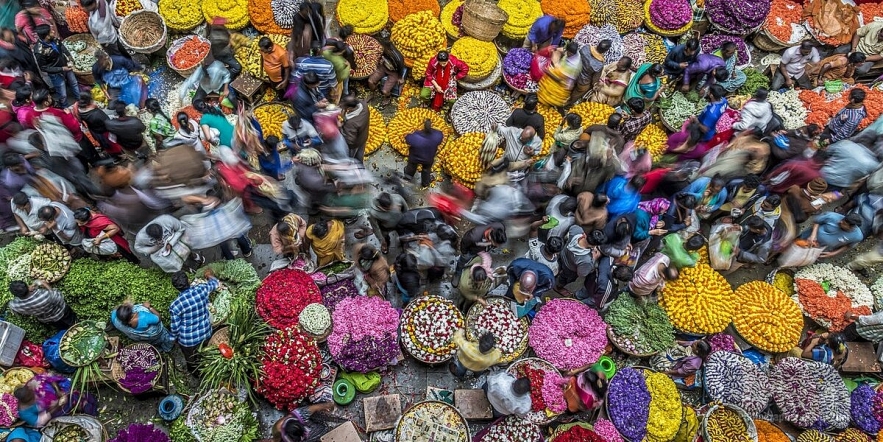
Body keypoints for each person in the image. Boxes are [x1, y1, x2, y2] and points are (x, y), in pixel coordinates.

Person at [170, 269, 218, 372]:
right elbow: (215, 283)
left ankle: (195, 372)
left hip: (188, 341)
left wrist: (173, 339)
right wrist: (209, 275)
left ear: (176, 288)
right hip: (205, 333)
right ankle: (209, 367)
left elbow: (175, 328)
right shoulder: (201, 289)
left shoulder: (175, 305)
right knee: (206, 351)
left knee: (191, 359)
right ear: (189, 281)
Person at [134, 215, 204, 273]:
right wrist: (153, 249)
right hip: (159, 248)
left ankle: (194, 256)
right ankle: (185, 268)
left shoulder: (167, 220)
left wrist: (170, 243)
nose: (160, 239)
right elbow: (137, 248)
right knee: (167, 262)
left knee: (185, 247)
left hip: (173, 239)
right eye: (157, 238)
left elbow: (181, 229)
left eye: (160, 236)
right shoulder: (141, 237)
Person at [32, 24, 78, 107]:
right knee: (62, 93)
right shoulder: (39, 52)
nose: (53, 31)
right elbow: (44, 68)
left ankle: (79, 99)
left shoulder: (54, 39)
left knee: (74, 83)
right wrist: (62, 69)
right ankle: (65, 107)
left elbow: (62, 47)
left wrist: (69, 57)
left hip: (66, 65)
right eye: (51, 31)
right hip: (56, 73)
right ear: (47, 36)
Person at [73, 207, 138, 264]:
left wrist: (100, 238)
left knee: (124, 251)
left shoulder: (99, 222)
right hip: (98, 235)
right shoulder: (85, 211)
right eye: (78, 222)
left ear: (89, 219)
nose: (79, 225)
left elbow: (115, 228)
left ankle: (134, 261)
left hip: (113, 240)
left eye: (81, 223)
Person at [8, 279, 76, 329]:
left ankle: (65, 328)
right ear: (28, 287)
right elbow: (58, 297)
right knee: (71, 319)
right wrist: (45, 284)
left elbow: (11, 306)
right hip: (61, 312)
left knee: (60, 326)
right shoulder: (44, 295)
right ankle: (74, 324)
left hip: (48, 319)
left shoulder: (16, 305)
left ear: (16, 296)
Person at [538, 42, 582, 108]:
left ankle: (549, 108)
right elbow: (563, 50)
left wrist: (547, 72)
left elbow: (559, 80)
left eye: (571, 54)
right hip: (560, 73)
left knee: (551, 99)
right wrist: (554, 49)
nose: (568, 54)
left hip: (563, 84)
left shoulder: (573, 66)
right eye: (568, 52)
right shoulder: (575, 52)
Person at [403, 119, 443, 187]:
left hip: (415, 158)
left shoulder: (416, 136)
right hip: (428, 159)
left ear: (423, 126)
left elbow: (407, 139)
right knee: (426, 170)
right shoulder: (437, 135)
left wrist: (414, 133)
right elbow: (440, 139)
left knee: (411, 167)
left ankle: (408, 177)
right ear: (431, 126)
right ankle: (425, 183)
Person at [368, 41, 407, 108]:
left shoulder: (397, 57)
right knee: (370, 81)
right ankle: (373, 92)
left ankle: (388, 98)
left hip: (394, 72)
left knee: (385, 91)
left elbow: (401, 65)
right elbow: (379, 57)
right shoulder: (383, 50)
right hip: (384, 66)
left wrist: (400, 77)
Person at [270, 402, 335, 442]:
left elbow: (309, 410)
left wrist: (324, 406)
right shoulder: (280, 430)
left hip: (317, 427)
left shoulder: (296, 417)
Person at [570, 40, 610, 105]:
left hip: (573, 71)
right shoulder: (599, 64)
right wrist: (595, 85)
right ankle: (569, 103)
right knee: (581, 90)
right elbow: (594, 80)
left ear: (598, 44)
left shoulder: (586, 48)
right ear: (606, 51)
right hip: (583, 81)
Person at [339, 95, 369, 163]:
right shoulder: (364, 105)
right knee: (360, 156)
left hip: (354, 144)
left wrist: (340, 127)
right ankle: (361, 167)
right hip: (363, 137)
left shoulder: (351, 123)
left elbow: (349, 140)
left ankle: (353, 169)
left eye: (344, 106)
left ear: (349, 108)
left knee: (350, 159)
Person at [322, 39, 350, 104]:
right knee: (336, 92)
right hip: (335, 78)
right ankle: (345, 94)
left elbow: (323, 50)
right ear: (342, 51)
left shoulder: (325, 53)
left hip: (326, 75)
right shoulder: (341, 62)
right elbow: (343, 76)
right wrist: (348, 66)